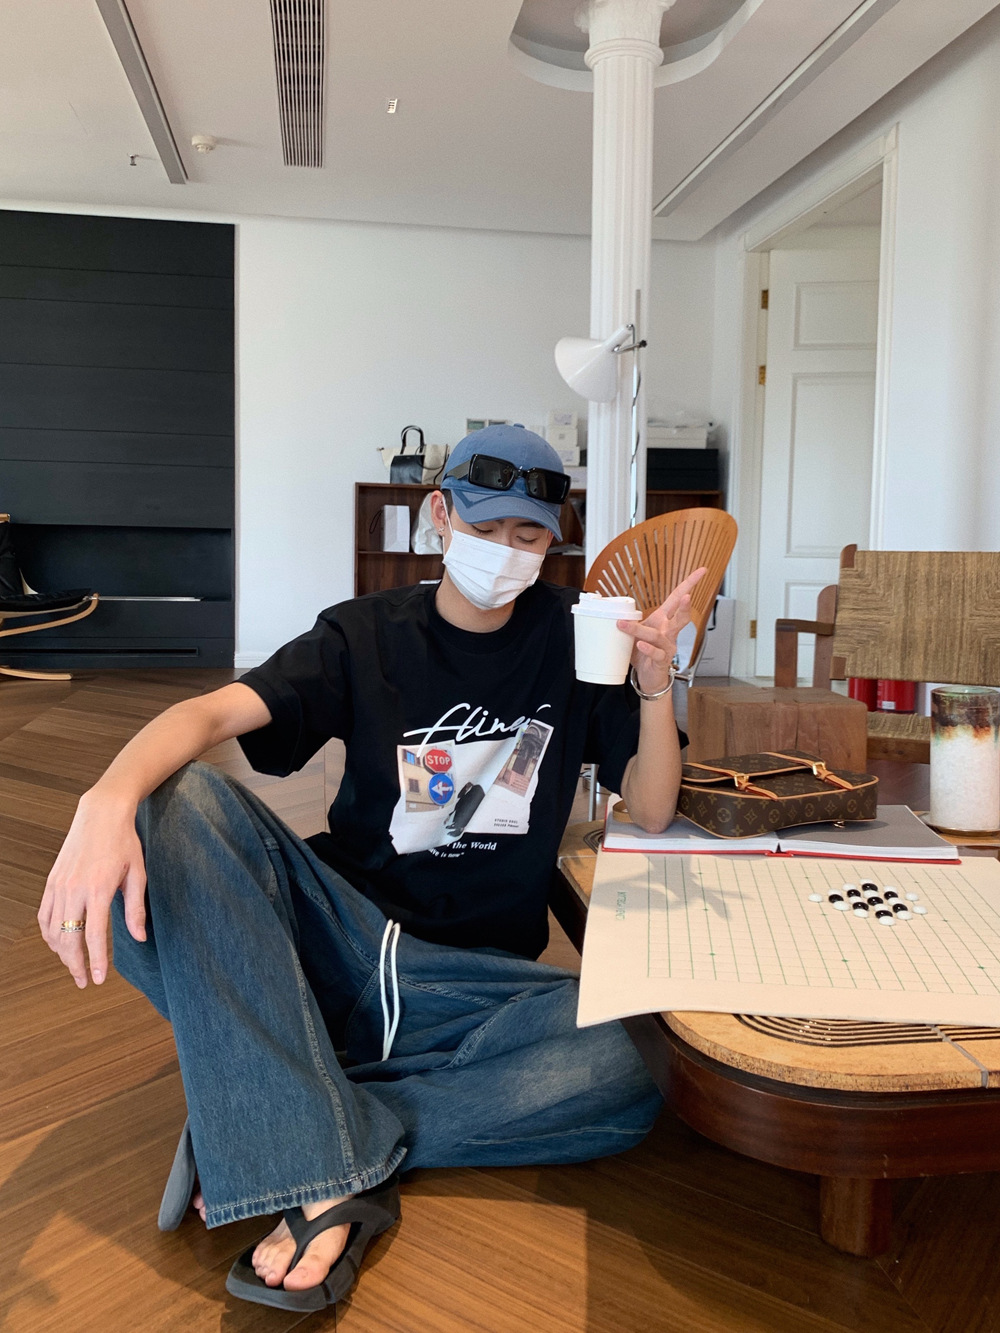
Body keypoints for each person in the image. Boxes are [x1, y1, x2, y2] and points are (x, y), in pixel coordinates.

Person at [38, 424, 704, 1313]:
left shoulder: (574, 639)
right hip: (338, 941)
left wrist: (654, 683)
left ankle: (284, 1108)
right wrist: (105, 800)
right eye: (487, 526)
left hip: (474, 983)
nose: (506, 551)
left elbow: (652, 806)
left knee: (637, 1060)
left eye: (529, 535)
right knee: (173, 808)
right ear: (441, 515)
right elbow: (208, 717)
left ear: (552, 542)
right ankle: (304, 1124)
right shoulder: (365, 634)